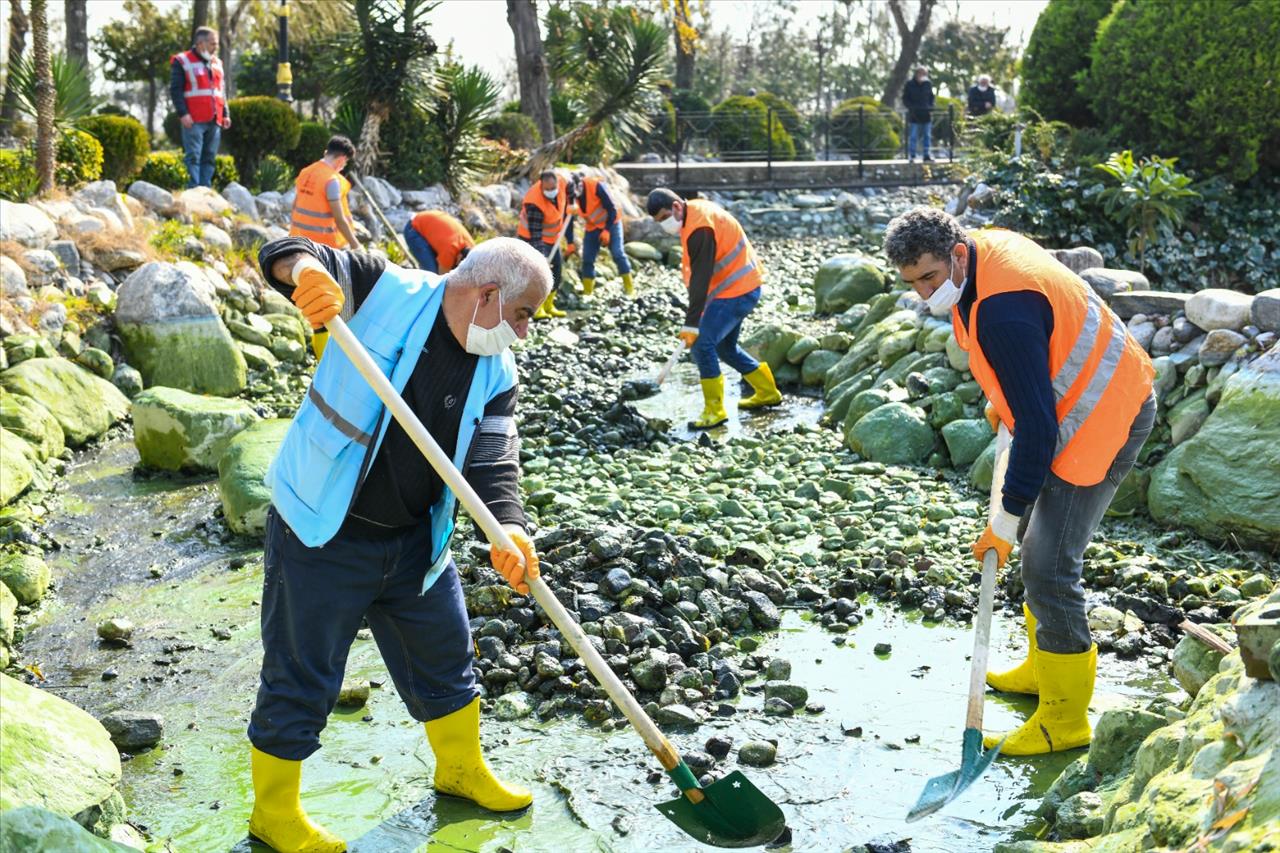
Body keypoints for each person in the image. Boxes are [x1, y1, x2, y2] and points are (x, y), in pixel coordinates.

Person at [245, 234, 551, 852]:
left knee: (445, 655)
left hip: (416, 538)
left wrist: (509, 526)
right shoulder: (382, 289)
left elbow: (493, 458)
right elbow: (283, 251)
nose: (522, 332)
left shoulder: (496, 367)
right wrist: (303, 271)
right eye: (522, 315)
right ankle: (274, 814)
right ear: (489, 295)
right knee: (300, 674)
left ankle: (460, 769)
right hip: (323, 529)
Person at [883, 208, 1155, 756]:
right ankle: (1042, 669)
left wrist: (1003, 521)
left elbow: (1039, 430)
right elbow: (1038, 356)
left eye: (930, 278)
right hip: (1076, 401)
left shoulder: (1003, 308)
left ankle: (1065, 718)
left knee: (1047, 562)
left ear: (957, 255)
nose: (923, 292)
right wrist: (1005, 399)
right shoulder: (983, 252)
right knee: (1038, 543)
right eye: (910, 283)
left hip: (1105, 415)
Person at [646, 188, 782, 429]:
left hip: (738, 291)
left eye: (664, 217)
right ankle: (767, 391)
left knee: (702, 344)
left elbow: (700, 277)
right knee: (723, 347)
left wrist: (691, 323)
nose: (664, 225)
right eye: (659, 222)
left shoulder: (700, 227)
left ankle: (714, 410)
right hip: (740, 286)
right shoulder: (694, 213)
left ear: (677, 206)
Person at [289, 135, 360, 359]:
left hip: (299, 243)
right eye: (345, 163)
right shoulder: (332, 180)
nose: (344, 167)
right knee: (326, 304)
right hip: (324, 248)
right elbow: (339, 219)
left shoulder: (306, 172)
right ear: (340, 159)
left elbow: (296, 205)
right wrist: (356, 245)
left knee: (311, 297)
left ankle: (316, 344)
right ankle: (324, 356)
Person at [170, 26, 230, 189]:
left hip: (214, 119)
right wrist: (183, 113)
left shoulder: (217, 63)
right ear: (200, 43)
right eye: (213, 44)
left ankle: (205, 189)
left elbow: (221, 91)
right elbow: (176, 90)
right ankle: (193, 190)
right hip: (193, 119)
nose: (216, 47)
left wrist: (225, 113)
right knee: (193, 156)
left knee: (209, 157)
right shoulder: (182, 61)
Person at [516, 169, 575, 319]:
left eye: (553, 188)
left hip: (553, 237)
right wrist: (542, 258)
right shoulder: (534, 203)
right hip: (531, 238)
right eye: (547, 189)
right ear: (541, 185)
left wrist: (573, 201)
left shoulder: (561, 182)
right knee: (540, 273)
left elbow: (573, 184)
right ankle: (537, 308)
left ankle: (550, 305)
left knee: (557, 270)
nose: (551, 191)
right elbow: (536, 236)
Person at [569, 172, 635, 298]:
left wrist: (606, 230)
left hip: (612, 223)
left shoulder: (597, 186)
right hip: (593, 227)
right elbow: (568, 219)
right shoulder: (570, 193)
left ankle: (629, 288)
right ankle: (588, 292)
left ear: (580, 184)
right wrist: (570, 242)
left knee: (617, 253)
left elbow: (612, 209)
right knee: (587, 258)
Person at [403, 210, 475, 274]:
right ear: (459, 256)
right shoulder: (450, 251)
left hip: (427, 221)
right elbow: (441, 280)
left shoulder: (474, 250)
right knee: (433, 275)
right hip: (414, 229)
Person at [902, 65, 935, 163]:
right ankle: (912, 155)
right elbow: (905, 98)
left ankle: (926, 155)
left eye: (925, 74)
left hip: (926, 114)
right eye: (921, 73)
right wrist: (911, 107)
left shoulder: (928, 84)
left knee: (927, 136)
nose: (923, 75)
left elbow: (931, 97)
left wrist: (931, 106)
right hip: (914, 114)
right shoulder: (909, 84)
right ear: (917, 74)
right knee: (913, 136)